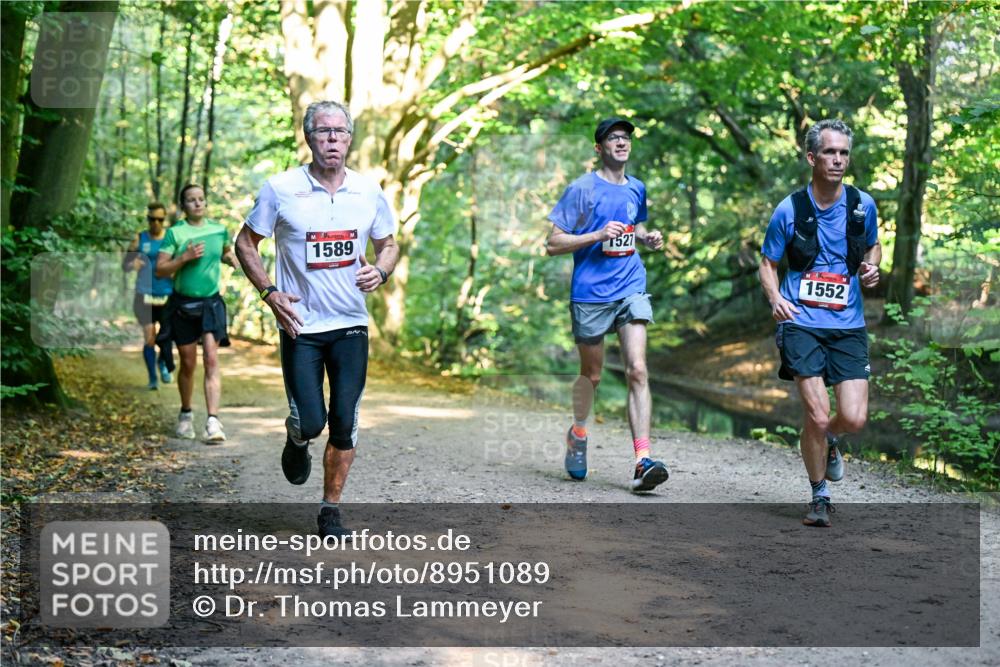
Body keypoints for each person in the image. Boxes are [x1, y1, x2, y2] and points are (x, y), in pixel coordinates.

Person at [235, 100, 398, 537]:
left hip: (350, 323)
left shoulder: (368, 191)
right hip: (301, 325)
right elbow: (245, 243)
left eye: (340, 132)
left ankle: (330, 508)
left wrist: (380, 270)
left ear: (349, 138)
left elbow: (390, 244)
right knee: (312, 421)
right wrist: (269, 293)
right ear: (308, 137)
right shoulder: (280, 188)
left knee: (344, 418)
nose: (332, 139)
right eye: (323, 132)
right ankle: (296, 437)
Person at [759, 119, 881, 528]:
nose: (838, 159)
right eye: (830, 152)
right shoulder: (789, 209)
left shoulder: (862, 205)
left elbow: (874, 246)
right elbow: (768, 262)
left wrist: (871, 268)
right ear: (812, 158)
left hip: (848, 324)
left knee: (854, 418)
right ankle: (819, 495)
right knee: (816, 412)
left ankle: (830, 441)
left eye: (844, 153)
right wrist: (776, 298)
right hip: (801, 321)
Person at [545, 117, 668, 493]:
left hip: (630, 285)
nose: (622, 142)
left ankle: (642, 460)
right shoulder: (581, 189)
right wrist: (597, 234)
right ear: (599, 148)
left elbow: (634, 225)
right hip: (590, 294)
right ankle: (578, 433)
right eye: (613, 138)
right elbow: (552, 243)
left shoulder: (637, 188)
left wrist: (647, 237)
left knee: (638, 369)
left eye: (626, 137)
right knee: (593, 377)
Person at [156, 184, 238, 443]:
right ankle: (186, 414)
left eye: (201, 199)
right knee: (188, 363)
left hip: (210, 304)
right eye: (191, 200)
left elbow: (225, 252)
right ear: (184, 206)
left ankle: (213, 421)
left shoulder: (218, 229)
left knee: (212, 360)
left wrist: (233, 260)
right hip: (182, 306)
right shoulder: (175, 233)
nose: (198, 204)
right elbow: (160, 269)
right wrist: (184, 257)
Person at [123, 201, 175, 390]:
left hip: (167, 295)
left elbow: (179, 263)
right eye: (152, 219)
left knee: (166, 337)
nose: (156, 223)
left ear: (164, 220)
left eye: (160, 219)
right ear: (148, 219)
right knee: (150, 337)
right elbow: (125, 266)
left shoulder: (171, 239)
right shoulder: (139, 239)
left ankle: (163, 363)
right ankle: (153, 378)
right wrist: (132, 265)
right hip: (144, 294)